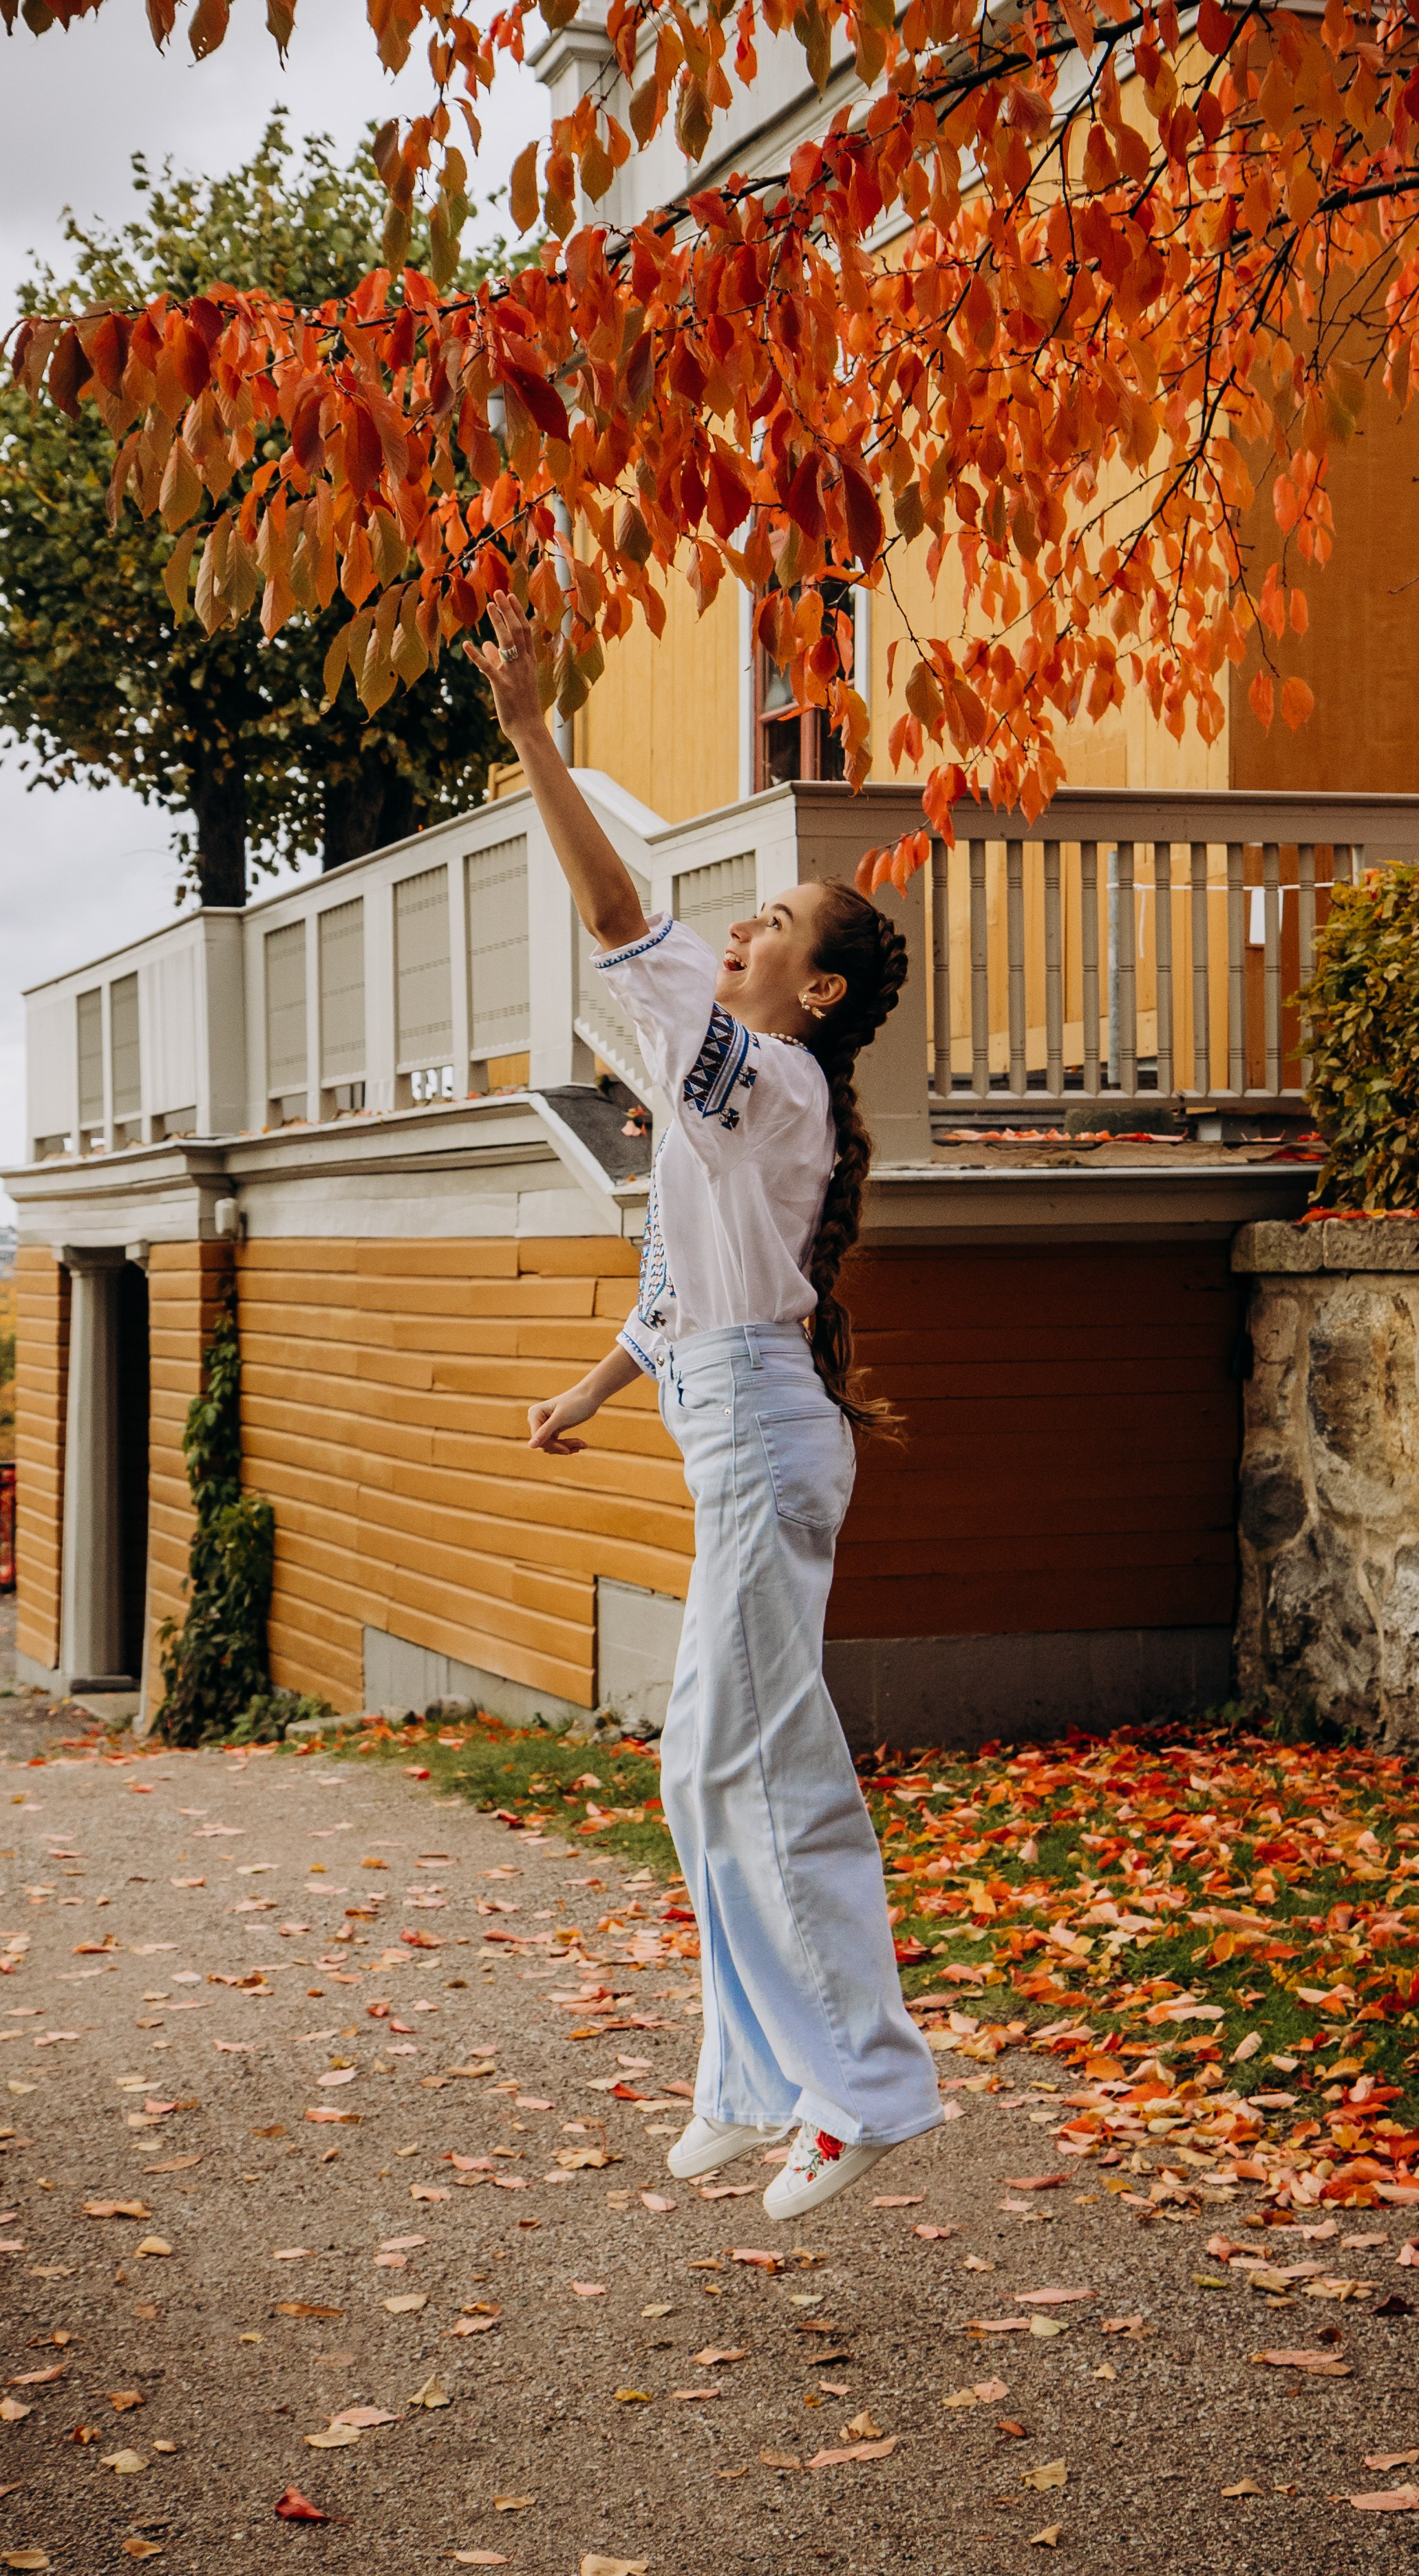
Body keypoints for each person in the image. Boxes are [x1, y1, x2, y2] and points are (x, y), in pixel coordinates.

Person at [467, 594, 942, 2220]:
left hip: (763, 1443)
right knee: (703, 1768)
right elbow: (688, 1295)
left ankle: (865, 2091)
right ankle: (755, 2081)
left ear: (812, 993)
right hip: (734, 1426)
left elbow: (615, 914)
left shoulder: (778, 1080)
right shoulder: (731, 1112)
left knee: (751, 1760)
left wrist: (536, 731)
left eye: (775, 922)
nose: (745, 922)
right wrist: (587, 1390)